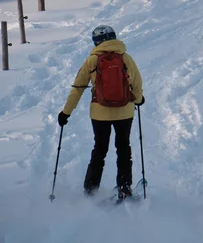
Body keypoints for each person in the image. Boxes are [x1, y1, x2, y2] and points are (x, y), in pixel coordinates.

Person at [58, 25, 145, 200]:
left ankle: (91, 189)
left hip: (100, 114)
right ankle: (124, 188)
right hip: (124, 112)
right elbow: (137, 84)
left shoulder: (91, 61)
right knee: (123, 148)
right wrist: (138, 100)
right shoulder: (126, 58)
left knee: (100, 149)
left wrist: (65, 113)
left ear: (96, 42)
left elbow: (77, 89)